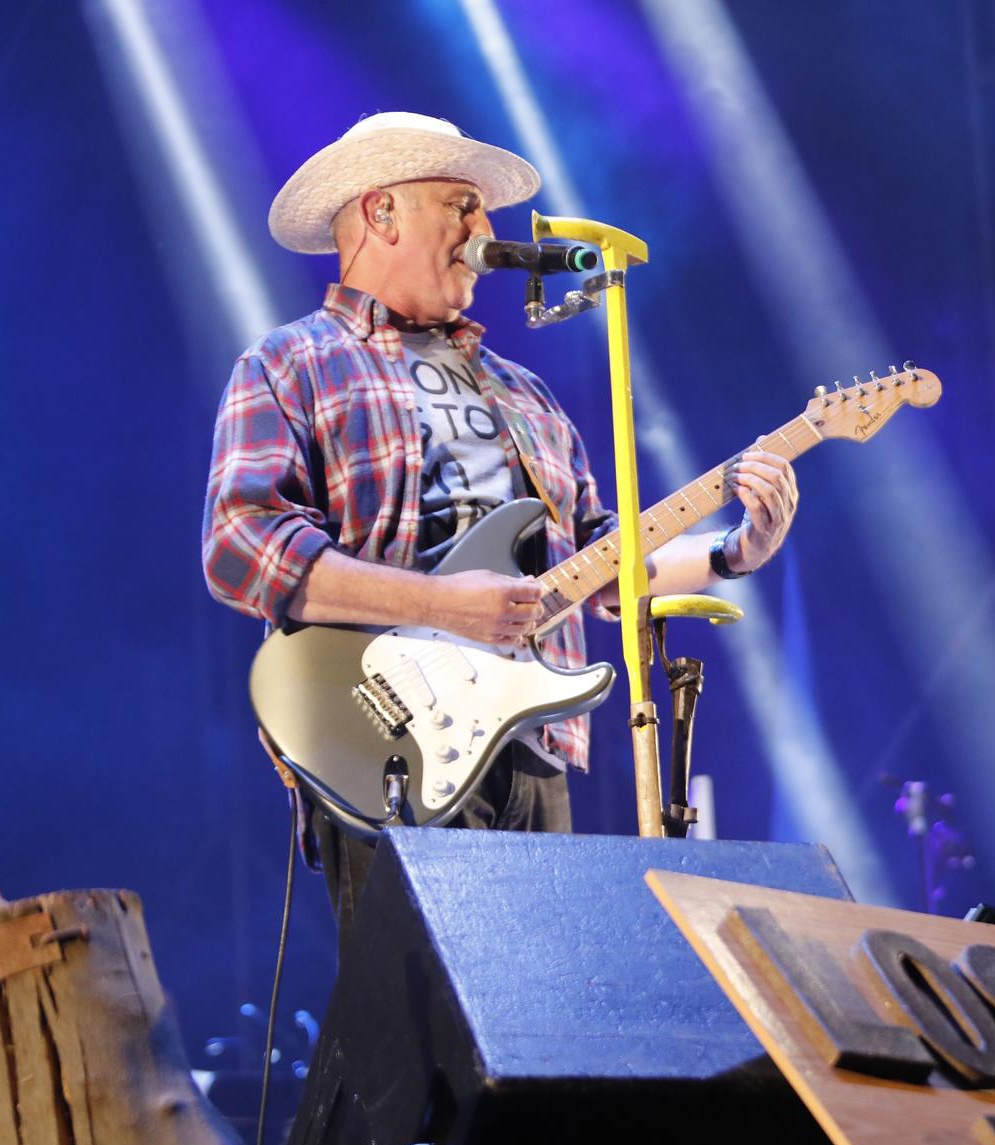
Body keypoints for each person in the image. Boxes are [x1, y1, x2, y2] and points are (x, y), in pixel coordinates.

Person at [202, 113, 799, 935]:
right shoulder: (290, 364)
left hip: (531, 743)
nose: (486, 230)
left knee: (542, 1024)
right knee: (423, 1037)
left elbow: (600, 567)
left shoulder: (528, 395)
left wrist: (734, 551)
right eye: (461, 205)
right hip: (386, 743)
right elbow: (241, 546)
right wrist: (445, 606)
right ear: (381, 214)